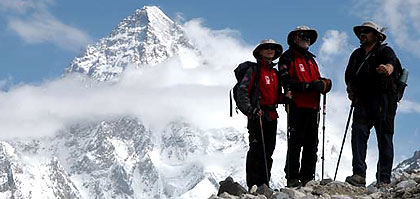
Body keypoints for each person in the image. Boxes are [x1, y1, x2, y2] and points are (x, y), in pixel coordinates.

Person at [345, 21, 398, 187]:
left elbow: (391, 65)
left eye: (367, 31)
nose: (363, 34)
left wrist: (386, 68)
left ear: (376, 35)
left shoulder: (385, 51)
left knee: (384, 139)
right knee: (358, 137)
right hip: (362, 101)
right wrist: (350, 90)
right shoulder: (356, 55)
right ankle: (359, 175)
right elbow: (349, 76)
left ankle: (383, 179)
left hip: (383, 101)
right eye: (361, 31)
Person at [277, 26, 332, 187]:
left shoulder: (311, 60)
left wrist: (324, 84)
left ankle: (308, 177)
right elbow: (285, 80)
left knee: (311, 143)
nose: (306, 38)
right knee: (295, 142)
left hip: (313, 107)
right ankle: (292, 177)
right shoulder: (287, 57)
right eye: (302, 35)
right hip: (297, 105)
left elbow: (314, 79)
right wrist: (310, 86)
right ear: (294, 38)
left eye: (308, 36)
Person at [236, 39, 284, 189]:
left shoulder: (275, 73)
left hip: (271, 115)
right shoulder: (254, 70)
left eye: (272, 48)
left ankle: (264, 185)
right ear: (260, 52)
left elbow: (275, 96)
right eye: (266, 48)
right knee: (256, 151)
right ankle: (254, 186)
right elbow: (242, 91)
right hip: (257, 115)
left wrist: (286, 98)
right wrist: (250, 110)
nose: (270, 50)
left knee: (268, 152)